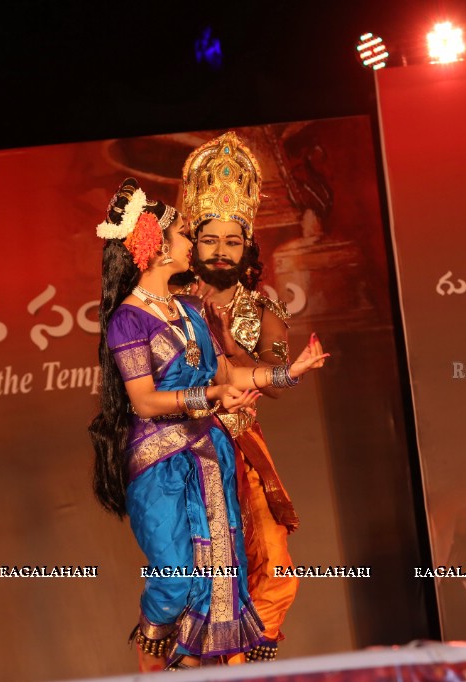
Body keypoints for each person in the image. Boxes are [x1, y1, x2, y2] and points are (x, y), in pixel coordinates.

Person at [88, 179, 326, 670]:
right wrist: (212, 396)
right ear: (153, 247)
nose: (192, 243)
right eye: (184, 234)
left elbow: (228, 374)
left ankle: (192, 666)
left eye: (227, 239)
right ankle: (157, 644)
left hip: (209, 455)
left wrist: (289, 372)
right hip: (160, 458)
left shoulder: (191, 310)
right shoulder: (127, 321)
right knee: (176, 577)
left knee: (217, 579)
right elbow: (144, 402)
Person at [172, 131, 303, 662]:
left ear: (247, 245)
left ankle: (251, 662)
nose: (221, 252)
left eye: (232, 241)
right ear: (194, 242)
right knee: (192, 566)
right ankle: (194, 662)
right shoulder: (167, 306)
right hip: (181, 446)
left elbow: (279, 381)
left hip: (243, 447)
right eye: (211, 240)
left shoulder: (264, 312)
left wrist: (229, 350)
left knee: (271, 563)